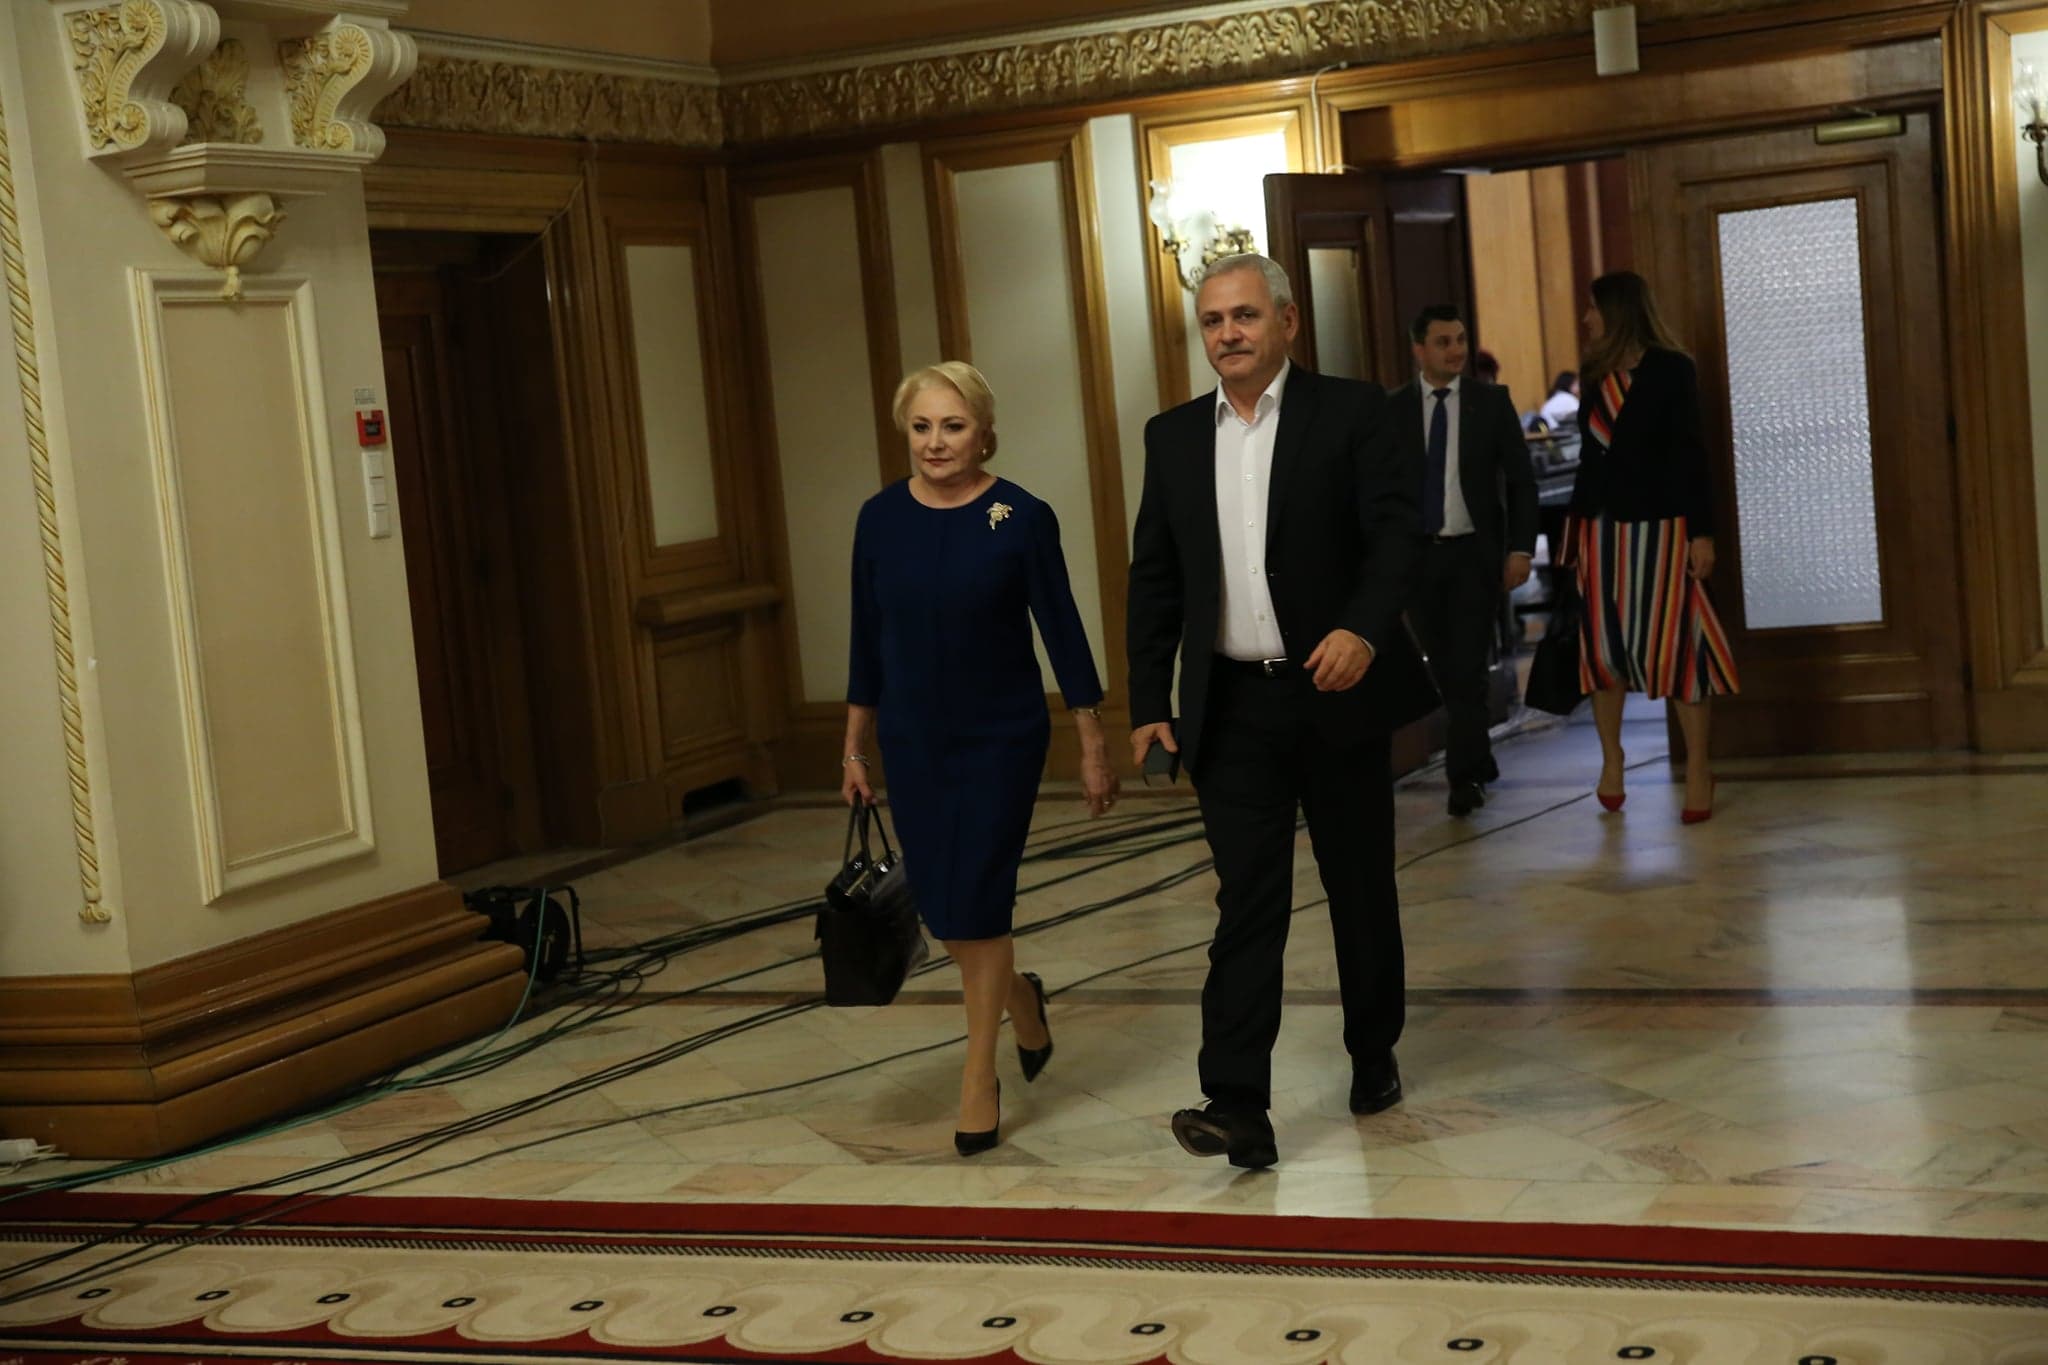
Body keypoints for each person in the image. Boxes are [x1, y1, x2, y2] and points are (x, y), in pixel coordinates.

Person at [1125, 254, 1436, 1170]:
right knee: (1247, 901)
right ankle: (1236, 1103)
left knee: (1359, 886)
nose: (1228, 333)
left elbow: (1396, 538)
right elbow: (1155, 578)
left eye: (1245, 316)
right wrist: (1147, 702)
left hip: (1334, 691)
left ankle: (1372, 1051)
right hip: (1231, 708)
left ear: (1288, 322)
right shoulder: (1172, 436)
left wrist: (1363, 630)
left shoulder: (1353, 413)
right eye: (1213, 320)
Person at [842, 362, 1119, 1157]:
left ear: (984, 434)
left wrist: (1091, 739)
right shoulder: (879, 519)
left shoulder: (1021, 516)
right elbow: (866, 638)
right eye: (922, 426)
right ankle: (1021, 998)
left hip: (1002, 738)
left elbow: (1063, 629)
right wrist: (854, 744)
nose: (935, 442)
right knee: (942, 906)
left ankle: (978, 1077)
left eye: (953, 426)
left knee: (981, 899)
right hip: (913, 739)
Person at [1563, 271, 1739, 823]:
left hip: (1662, 531)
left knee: (1677, 650)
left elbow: (1691, 455)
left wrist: (1702, 534)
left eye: (1594, 309)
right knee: (1604, 652)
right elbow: (1589, 460)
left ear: (1618, 312)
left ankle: (1699, 769)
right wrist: (1574, 538)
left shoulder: (1671, 369)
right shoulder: (1595, 373)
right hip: (1601, 532)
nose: (1587, 319)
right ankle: (1611, 760)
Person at [1394, 305, 1539, 816]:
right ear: (1419, 349)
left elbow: (1521, 481)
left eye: (1459, 339)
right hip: (1419, 562)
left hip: (1474, 558)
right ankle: (1478, 756)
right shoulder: (1392, 410)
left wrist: (1520, 548)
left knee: (1468, 667)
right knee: (1447, 672)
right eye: (1443, 342)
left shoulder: (1490, 403)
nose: (1455, 350)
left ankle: (1463, 779)